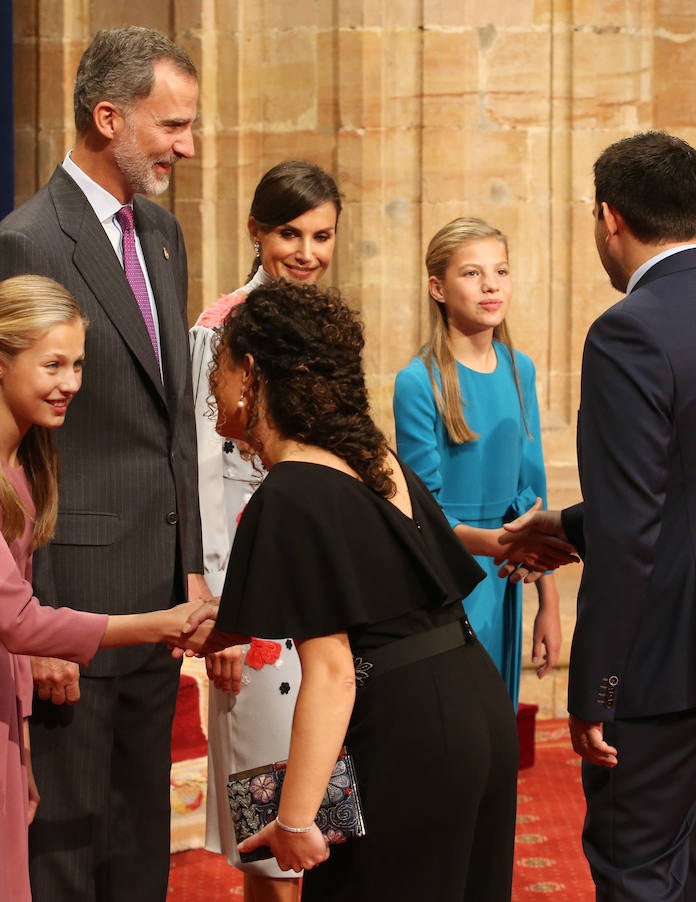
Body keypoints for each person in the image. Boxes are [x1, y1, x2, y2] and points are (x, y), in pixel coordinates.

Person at [499, 131, 696, 901]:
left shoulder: (627, 330)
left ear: (609, 217)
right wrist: (569, 527)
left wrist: (596, 688)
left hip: (668, 659)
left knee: (636, 868)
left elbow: (637, 524)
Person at [0, 276, 216, 902]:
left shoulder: (22, 459)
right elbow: (17, 620)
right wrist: (160, 623)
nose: (71, 383)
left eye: (77, 364)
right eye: (53, 364)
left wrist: (19, 748)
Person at [0, 26, 208, 902]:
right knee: (66, 847)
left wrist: (192, 568)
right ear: (108, 117)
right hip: (70, 601)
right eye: (171, 125)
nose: (188, 144)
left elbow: (171, 421)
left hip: (156, 595)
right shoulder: (28, 242)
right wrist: (35, 623)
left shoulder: (166, 236)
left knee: (140, 837)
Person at [205, 282, 555, 902]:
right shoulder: (374, 457)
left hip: (403, 733)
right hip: (474, 704)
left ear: (252, 372)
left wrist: (294, 820)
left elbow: (333, 670)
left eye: (219, 362)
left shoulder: (288, 494)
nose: (212, 383)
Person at [189, 160, 341, 902]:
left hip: (319, 590)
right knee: (271, 842)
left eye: (322, 235)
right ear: (255, 231)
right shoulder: (217, 331)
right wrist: (223, 608)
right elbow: (200, 471)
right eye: (290, 232)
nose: (306, 252)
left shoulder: (324, 324)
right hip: (253, 600)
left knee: (311, 822)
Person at [392, 217, 563, 710]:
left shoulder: (519, 367)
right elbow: (425, 513)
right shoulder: (418, 381)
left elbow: (532, 495)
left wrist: (548, 604)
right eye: (472, 273)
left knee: (499, 736)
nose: (491, 285)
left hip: (510, 573)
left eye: (501, 271)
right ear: (437, 288)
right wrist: (502, 545)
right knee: (460, 729)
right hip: (454, 578)